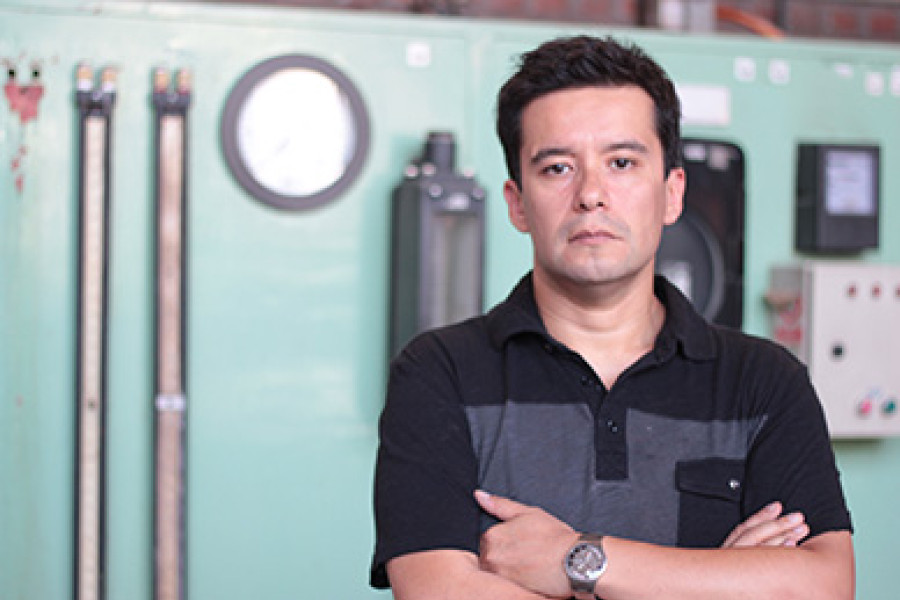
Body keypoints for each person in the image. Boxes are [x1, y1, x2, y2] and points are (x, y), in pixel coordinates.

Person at [371, 35, 854, 600]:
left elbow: (824, 586)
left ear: (672, 193)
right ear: (517, 202)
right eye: (557, 168)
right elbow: (437, 592)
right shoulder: (440, 374)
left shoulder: (764, 381)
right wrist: (717, 581)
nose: (591, 195)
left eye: (621, 163)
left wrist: (579, 559)